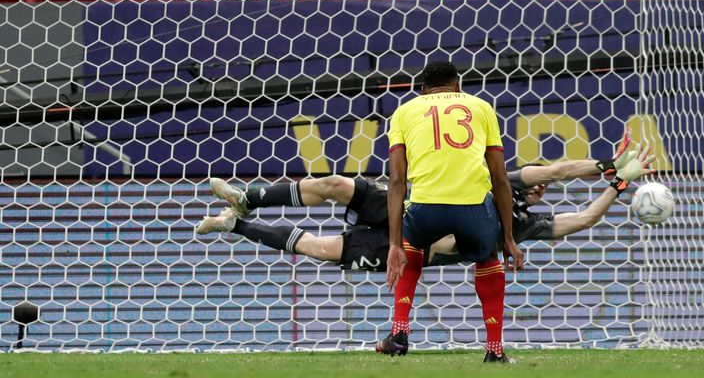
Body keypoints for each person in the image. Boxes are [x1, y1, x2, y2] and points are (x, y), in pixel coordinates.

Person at [195, 141, 654, 273]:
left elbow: (588, 216)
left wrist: (614, 181)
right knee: (336, 182)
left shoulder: (526, 227)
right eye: (532, 183)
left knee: (322, 249)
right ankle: (249, 196)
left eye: (538, 191)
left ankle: (233, 224)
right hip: (406, 204)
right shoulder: (503, 182)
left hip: (416, 246)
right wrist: (606, 163)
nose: (538, 190)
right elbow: (554, 171)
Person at [380, 60, 522, 363]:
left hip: (425, 207)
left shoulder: (403, 112)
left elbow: (396, 180)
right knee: (487, 257)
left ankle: (400, 331)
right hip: (473, 208)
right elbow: (499, 178)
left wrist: (394, 245)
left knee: (412, 244)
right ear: (457, 85)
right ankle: (494, 350)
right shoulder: (482, 107)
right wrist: (507, 237)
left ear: (422, 90)